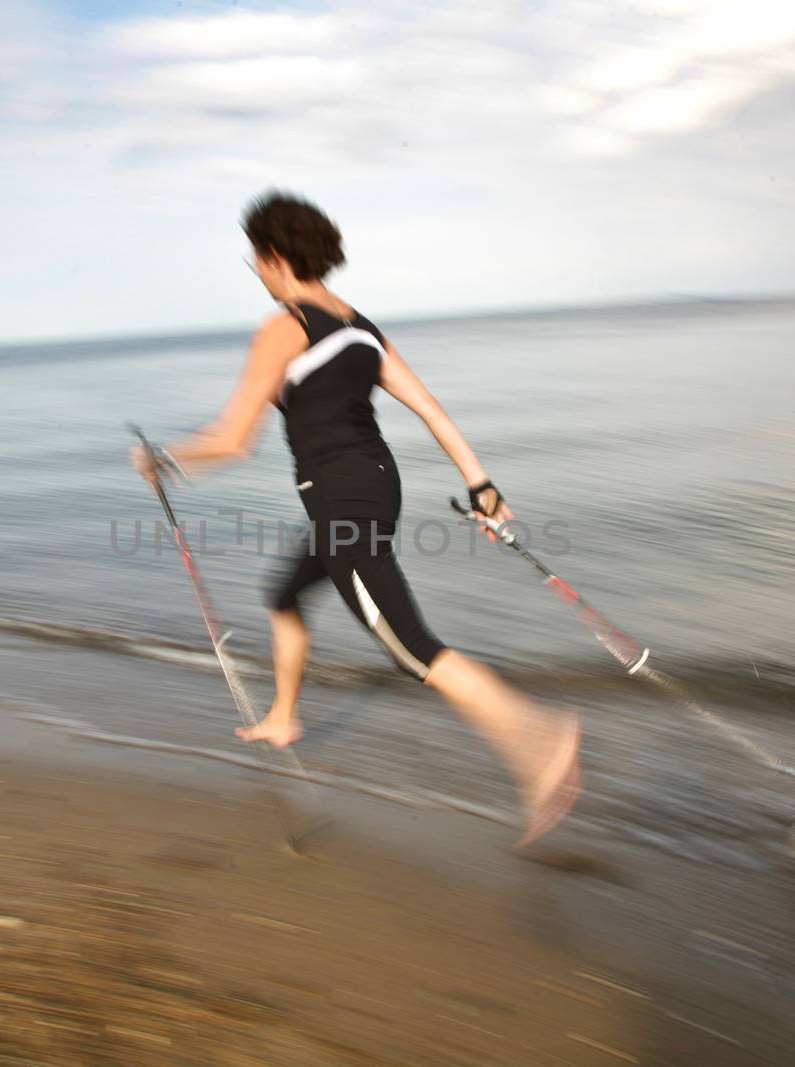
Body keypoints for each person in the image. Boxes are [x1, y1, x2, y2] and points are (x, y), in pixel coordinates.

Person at [133, 191, 580, 845]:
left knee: (411, 648)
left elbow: (234, 437)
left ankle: (540, 739)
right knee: (283, 593)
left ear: (275, 255)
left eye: (255, 259)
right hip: (373, 487)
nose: (255, 271)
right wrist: (480, 484)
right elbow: (430, 408)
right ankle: (284, 717)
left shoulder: (285, 324)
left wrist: (161, 459)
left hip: (344, 499)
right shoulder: (362, 327)